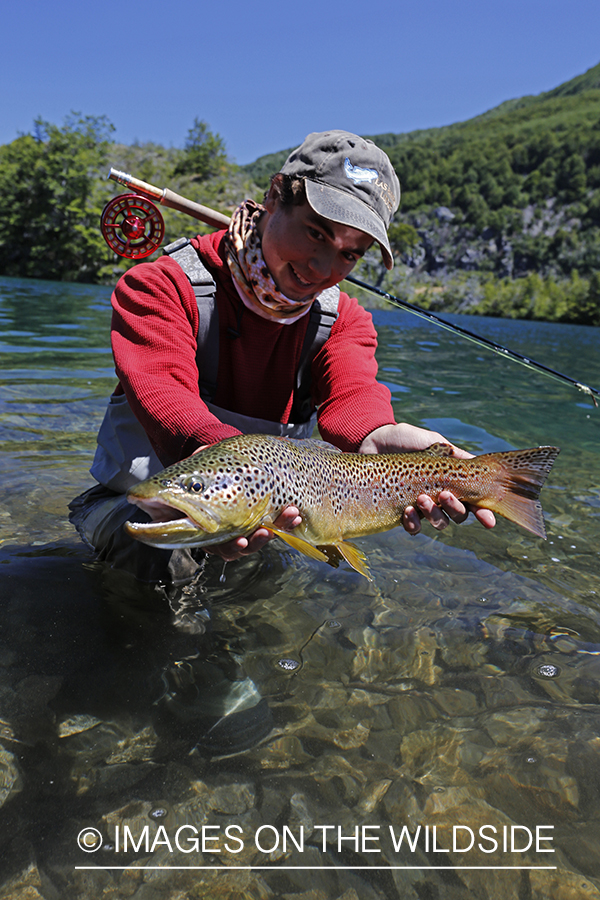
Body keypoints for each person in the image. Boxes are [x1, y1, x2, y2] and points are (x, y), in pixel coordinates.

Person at [70, 130, 494, 585]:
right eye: (316, 232)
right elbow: (164, 390)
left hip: (267, 523)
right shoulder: (160, 287)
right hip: (139, 509)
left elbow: (353, 397)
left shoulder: (345, 321)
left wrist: (379, 435)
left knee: (272, 594)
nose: (322, 269)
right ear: (275, 196)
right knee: (158, 564)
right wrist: (228, 471)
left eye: (349, 255)